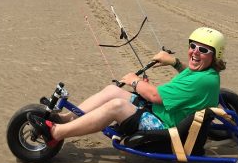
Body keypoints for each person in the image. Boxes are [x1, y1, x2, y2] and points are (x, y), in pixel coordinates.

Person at [28, 27, 226, 147]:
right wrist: (174, 62)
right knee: (112, 90)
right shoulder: (203, 73)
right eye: (192, 46)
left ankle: (56, 134)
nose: (194, 52)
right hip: (161, 113)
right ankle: (65, 119)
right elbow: (185, 76)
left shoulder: (203, 80)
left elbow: (156, 96)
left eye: (203, 50)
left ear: (215, 55)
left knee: (116, 105)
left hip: (167, 128)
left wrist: (135, 81)